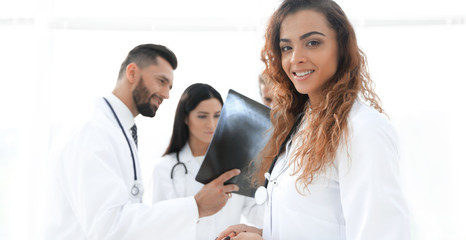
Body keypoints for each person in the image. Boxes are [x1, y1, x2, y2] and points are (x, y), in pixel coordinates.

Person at [217, 0, 410, 239]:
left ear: (341, 47)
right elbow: (318, 224)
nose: (296, 58)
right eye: (287, 47)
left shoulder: (362, 129)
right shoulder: (302, 124)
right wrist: (266, 232)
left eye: (313, 43)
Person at [45, 44, 240, 240]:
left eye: (169, 86)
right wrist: (195, 206)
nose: (166, 94)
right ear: (132, 72)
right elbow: (108, 226)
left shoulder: (118, 130)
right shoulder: (92, 131)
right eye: (161, 81)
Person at [151, 83, 264, 240]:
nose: (211, 124)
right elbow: (158, 225)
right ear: (185, 117)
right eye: (202, 116)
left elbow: (257, 213)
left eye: (217, 115)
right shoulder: (164, 169)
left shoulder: (238, 163)